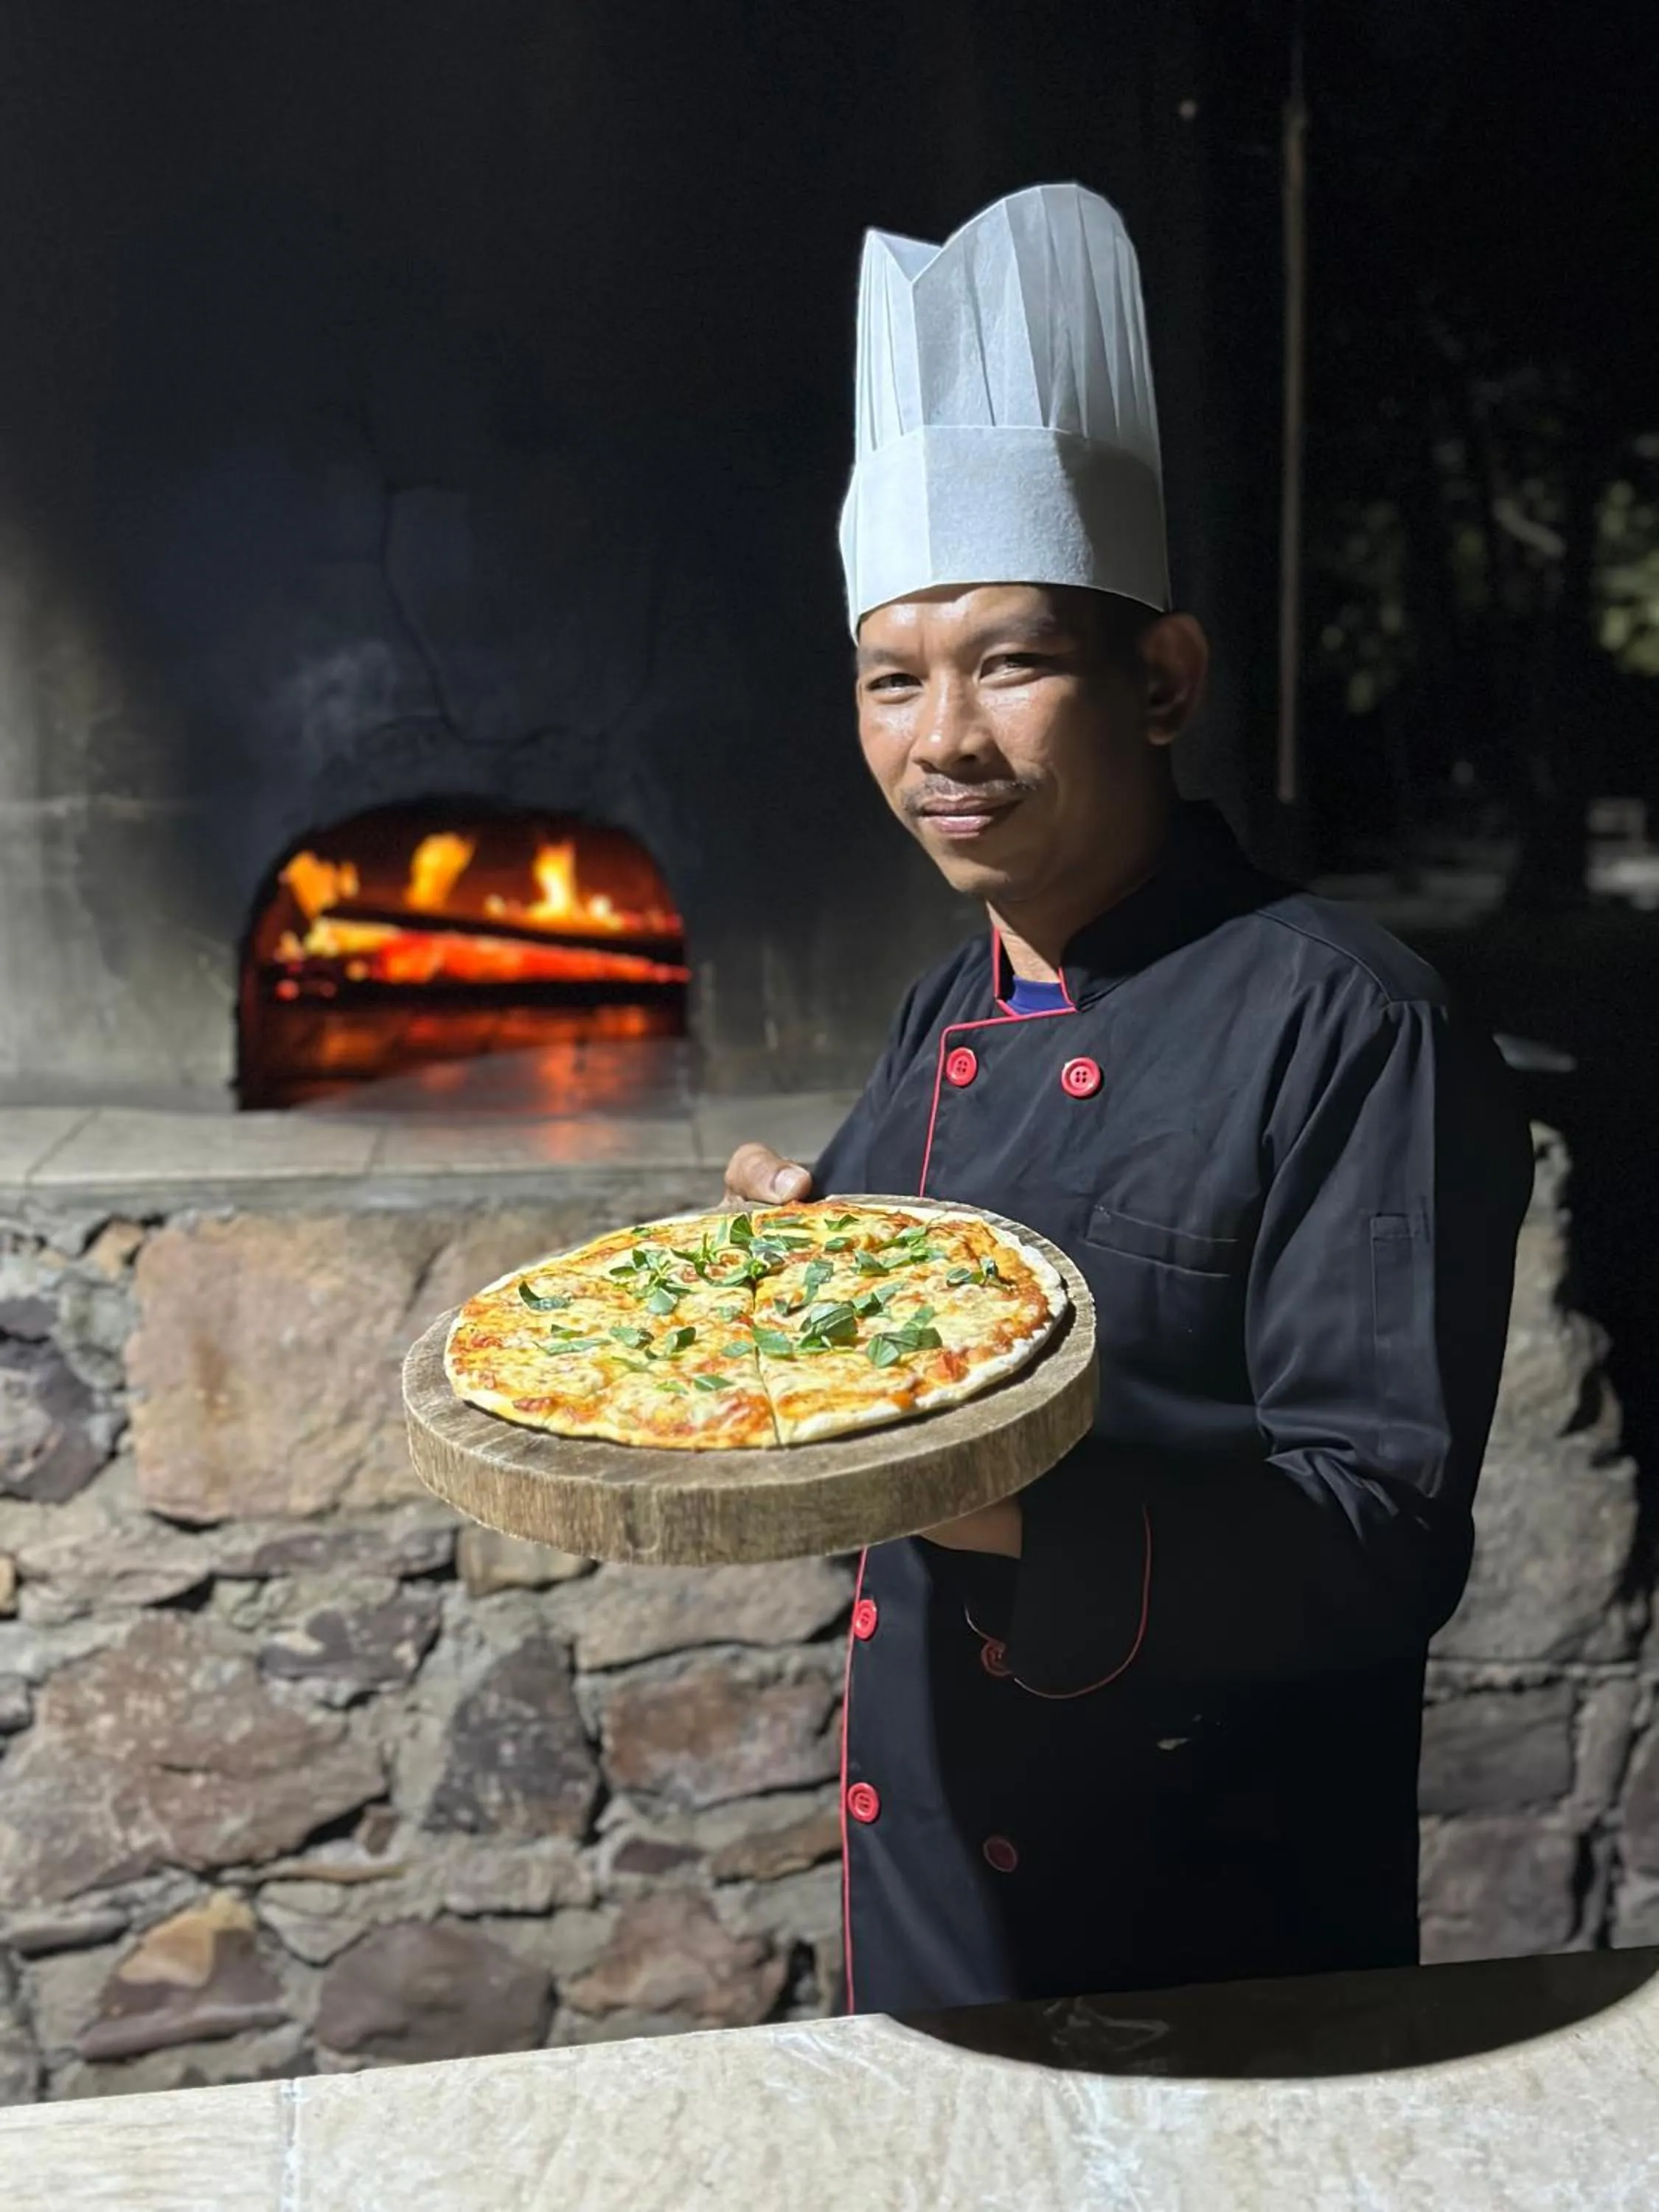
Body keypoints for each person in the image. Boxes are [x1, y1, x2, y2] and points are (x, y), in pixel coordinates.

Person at [723, 185, 1535, 2017]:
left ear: (1161, 681)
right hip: (930, 1876)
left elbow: (1380, 1537)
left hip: (1202, 1919)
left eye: (1009, 664)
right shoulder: (952, 997)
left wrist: (968, 1497)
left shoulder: (1351, 1024)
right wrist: (793, 1281)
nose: (943, 742)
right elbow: (907, 1344)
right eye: (891, 682)